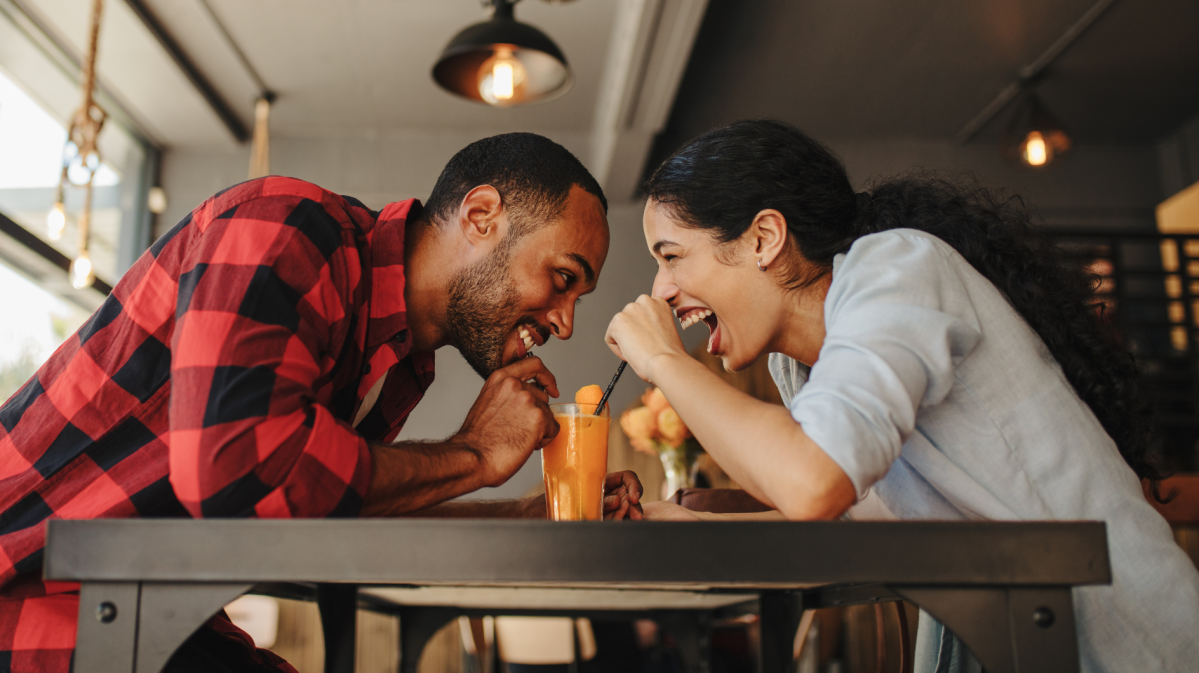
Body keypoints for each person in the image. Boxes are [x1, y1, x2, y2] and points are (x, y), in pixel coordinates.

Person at [0, 132, 642, 672]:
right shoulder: (287, 225)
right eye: (563, 279)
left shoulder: (398, 359)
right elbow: (237, 471)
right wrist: (473, 455)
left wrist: (528, 516)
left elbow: (332, 510)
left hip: (138, 611)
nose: (565, 324)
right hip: (35, 602)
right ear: (481, 217)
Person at [605, 119, 1199, 672]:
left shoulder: (898, 270)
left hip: (1132, 646)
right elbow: (845, 524)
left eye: (672, 257)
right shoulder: (800, 368)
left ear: (764, 237)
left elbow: (813, 485)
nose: (661, 290)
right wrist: (683, 522)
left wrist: (661, 359)